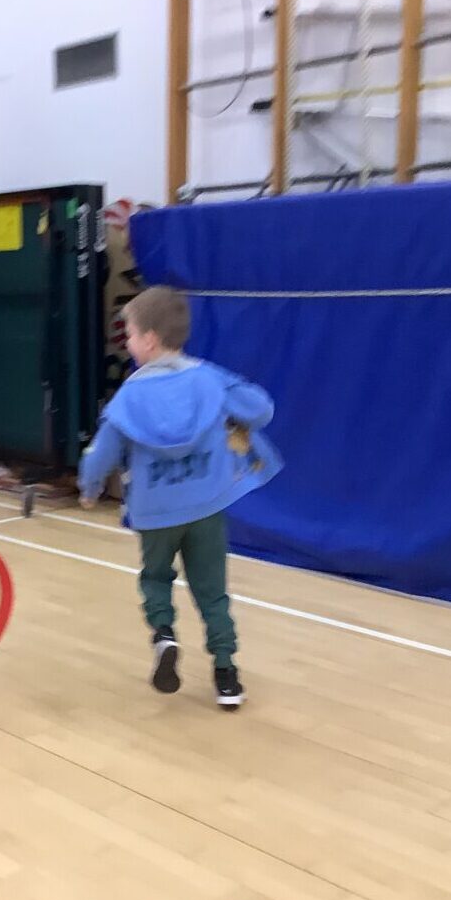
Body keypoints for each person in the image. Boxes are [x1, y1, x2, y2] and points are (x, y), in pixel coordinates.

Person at [78, 287, 281, 710]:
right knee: (212, 591)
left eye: (130, 335)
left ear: (150, 340)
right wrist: (222, 390)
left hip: (154, 512)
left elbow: (101, 455)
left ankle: (164, 636)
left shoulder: (129, 396)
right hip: (206, 506)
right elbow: (260, 409)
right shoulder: (207, 378)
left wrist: (90, 488)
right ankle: (226, 676)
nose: (127, 343)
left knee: (155, 578)